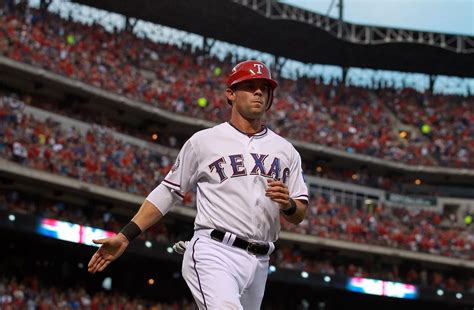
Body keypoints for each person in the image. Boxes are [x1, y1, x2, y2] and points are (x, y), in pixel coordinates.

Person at [88, 60, 309, 309]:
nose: (259, 92)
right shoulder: (204, 141)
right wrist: (126, 235)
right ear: (231, 94)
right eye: (249, 85)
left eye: (264, 88)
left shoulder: (286, 150)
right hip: (215, 251)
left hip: (260, 262)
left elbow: (299, 213)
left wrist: (289, 204)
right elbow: (169, 190)